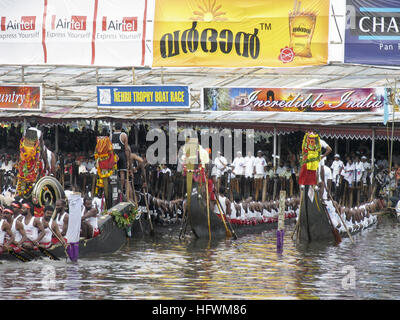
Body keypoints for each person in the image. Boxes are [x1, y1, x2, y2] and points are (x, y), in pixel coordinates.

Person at [111, 122, 131, 195]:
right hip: (122, 155)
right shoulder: (124, 135)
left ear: (114, 128)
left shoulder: (111, 136)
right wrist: (128, 160)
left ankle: (115, 189)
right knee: (122, 174)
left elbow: (110, 149)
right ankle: (121, 191)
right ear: (121, 127)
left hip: (114, 156)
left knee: (114, 174)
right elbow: (126, 149)